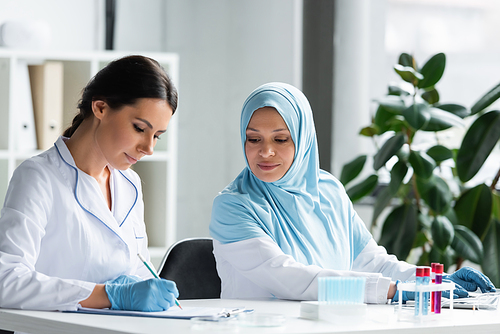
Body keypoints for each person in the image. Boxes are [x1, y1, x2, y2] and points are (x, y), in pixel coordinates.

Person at [209, 82, 495, 303]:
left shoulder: (328, 191)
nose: (265, 152)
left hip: (335, 326)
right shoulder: (233, 206)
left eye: (281, 139)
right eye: (253, 139)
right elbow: (289, 277)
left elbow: (372, 261)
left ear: (304, 139)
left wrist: (433, 280)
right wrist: (394, 291)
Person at [0, 55, 179, 312]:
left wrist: (149, 291)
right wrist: (109, 295)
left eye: (157, 136)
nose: (148, 148)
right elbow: (6, 281)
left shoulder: (130, 184)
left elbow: (138, 270)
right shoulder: (39, 177)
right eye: (140, 128)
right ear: (101, 108)